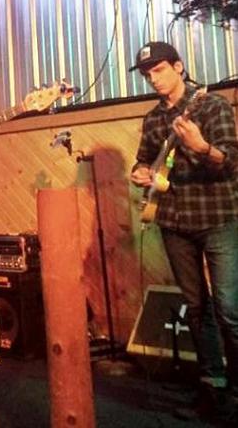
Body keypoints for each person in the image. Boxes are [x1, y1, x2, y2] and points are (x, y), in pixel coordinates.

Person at [129, 41, 237, 421]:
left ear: (178, 66)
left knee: (230, 308)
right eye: (147, 74)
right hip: (173, 222)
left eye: (159, 70)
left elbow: (231, 162)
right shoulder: (153, 119)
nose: (153, 79)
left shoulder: (212, 106)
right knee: (197, 308)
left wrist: (202, 147)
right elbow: (143, 161)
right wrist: (140, 173)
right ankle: (213, 387)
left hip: (217, 217)